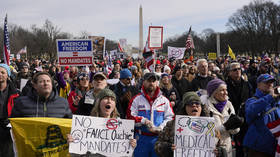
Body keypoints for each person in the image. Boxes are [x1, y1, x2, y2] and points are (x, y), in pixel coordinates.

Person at [68, 88, 137, 157]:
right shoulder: (86, 124)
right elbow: (77, 155)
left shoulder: (122, 128)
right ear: (98, 102)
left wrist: (130, 147)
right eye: (106, 98)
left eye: (112, 99)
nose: (109, 101)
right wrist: (73, 145)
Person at [127, 72, 174, 157]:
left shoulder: (164, 100)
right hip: (141, 139)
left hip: (159, 139)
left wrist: (161, 127)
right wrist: (143, 121)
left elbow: (170, 117)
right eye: (149, 81)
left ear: (157, 83)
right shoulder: (136, 99)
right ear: (144, 82)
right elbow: (130, 116)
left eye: (154, 81)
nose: (151, 83)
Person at [154, 92, 211, 157]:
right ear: (184, 107)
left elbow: (221, 145)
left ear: (201, 107)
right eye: (190, 103)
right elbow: (157, 146)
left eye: (197, 103)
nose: (194, 106)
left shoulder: (209, 126)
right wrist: (168, 148)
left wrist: (220, 151)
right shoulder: (172, 125)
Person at [201, 79, 242, 157]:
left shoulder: (229, 105)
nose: (225, 93)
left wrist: (236, 126)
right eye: (222, 90)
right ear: (214, 92)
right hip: (212, 149)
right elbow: (205, 132)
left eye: (226, 90)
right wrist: (225, 127)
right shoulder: (205, 107)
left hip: (227, 148)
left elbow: (233, 132)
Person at [243, 74, 280, 157]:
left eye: (271, 82)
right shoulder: (252, 100)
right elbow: (250, 112)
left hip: (273, 146)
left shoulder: (276, 100)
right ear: (258, 85)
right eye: (266, 82)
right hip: (258, 148)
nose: (270, 85)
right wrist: (269, 97)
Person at [225, 62, 252, 157]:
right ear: (229, 73)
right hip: (231, 119)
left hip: (245, 118)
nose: (238, 71)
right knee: (235, 146)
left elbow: (251, 98)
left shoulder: (247, 84)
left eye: (239, 69)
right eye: (234, 69)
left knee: (246, 145)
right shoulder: (225, 85)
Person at [0, 64, 19, 157]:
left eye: (2, 72)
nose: (0, 74)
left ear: (7, 75)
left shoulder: (16, 92)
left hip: (8, 128)